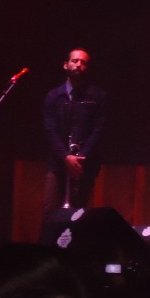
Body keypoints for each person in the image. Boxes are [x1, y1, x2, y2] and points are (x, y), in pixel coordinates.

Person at [42, 48, 107, 217]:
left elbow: (98, 130)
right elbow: (50, 129)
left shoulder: (98, 96)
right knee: (50, 210)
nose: (78, 65)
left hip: (84, 164)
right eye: (75, 61)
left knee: (80, 213)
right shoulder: (53, 96)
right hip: (58, 162)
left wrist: (80, 158)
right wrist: (65, 157)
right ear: (65, 65)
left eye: (83, 62)